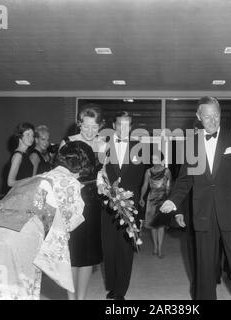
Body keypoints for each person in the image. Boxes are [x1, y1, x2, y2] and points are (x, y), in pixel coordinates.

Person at [160, 96, 231, 300]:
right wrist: (173, 201)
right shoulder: (191, 143)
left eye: (216, 116)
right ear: (198, 117)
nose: (212, 121)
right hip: (203, 213)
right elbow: (185, 179)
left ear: (220, 114)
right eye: (207, 117)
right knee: (204, 271)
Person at [0, 141, 95, 299]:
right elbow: (69, 222)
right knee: (24, 290)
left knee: (2, 288)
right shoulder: (70, 182)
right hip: (23, 234)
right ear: (82, 166)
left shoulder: (40, 176)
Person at [97, 111, 146, 300]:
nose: (123, 128)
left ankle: (121, 292)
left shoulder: (141, 149)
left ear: (131, 127)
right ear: (114, 125)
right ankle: (112, 286)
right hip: (108, 207)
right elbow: (98, 174)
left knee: (126, 249)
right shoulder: (104, 147)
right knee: (109, 248)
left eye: (127, 125)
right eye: (119, 124)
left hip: (130, 207)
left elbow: (143, 180)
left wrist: (139, 210)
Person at [60, 104, 106, 300]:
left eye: (94, 127)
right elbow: (59, 174)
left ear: (100, 126)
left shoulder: (103, 145)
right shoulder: (67, 143)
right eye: (85, 126)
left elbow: (102, 173)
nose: (89, 131)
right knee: (71, 255)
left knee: (88, 255)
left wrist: (104, 185)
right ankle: (70, 299)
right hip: (70, 203)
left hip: (93, 204)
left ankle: (81, 298)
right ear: (79, 124)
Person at [139, 153, 172, 258]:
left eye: (156, 158)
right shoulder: (148, 171)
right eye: (152, 158)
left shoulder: (167, 171)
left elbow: (169, 185)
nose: (154, 160)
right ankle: (155, 247)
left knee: (161, 224)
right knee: (153, 224)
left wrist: (170, 199)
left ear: (161, 159)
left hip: (163, 198)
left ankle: (160, 249)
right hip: (151, 198)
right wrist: (141, 197)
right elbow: (145, 185)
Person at [7, 122, 35, 188]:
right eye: (28, 134)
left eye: (32, 135)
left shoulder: (24, 154)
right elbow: (10, 182)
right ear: (20, 136)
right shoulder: (18, 155)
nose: (31, 138)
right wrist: (31, 180)